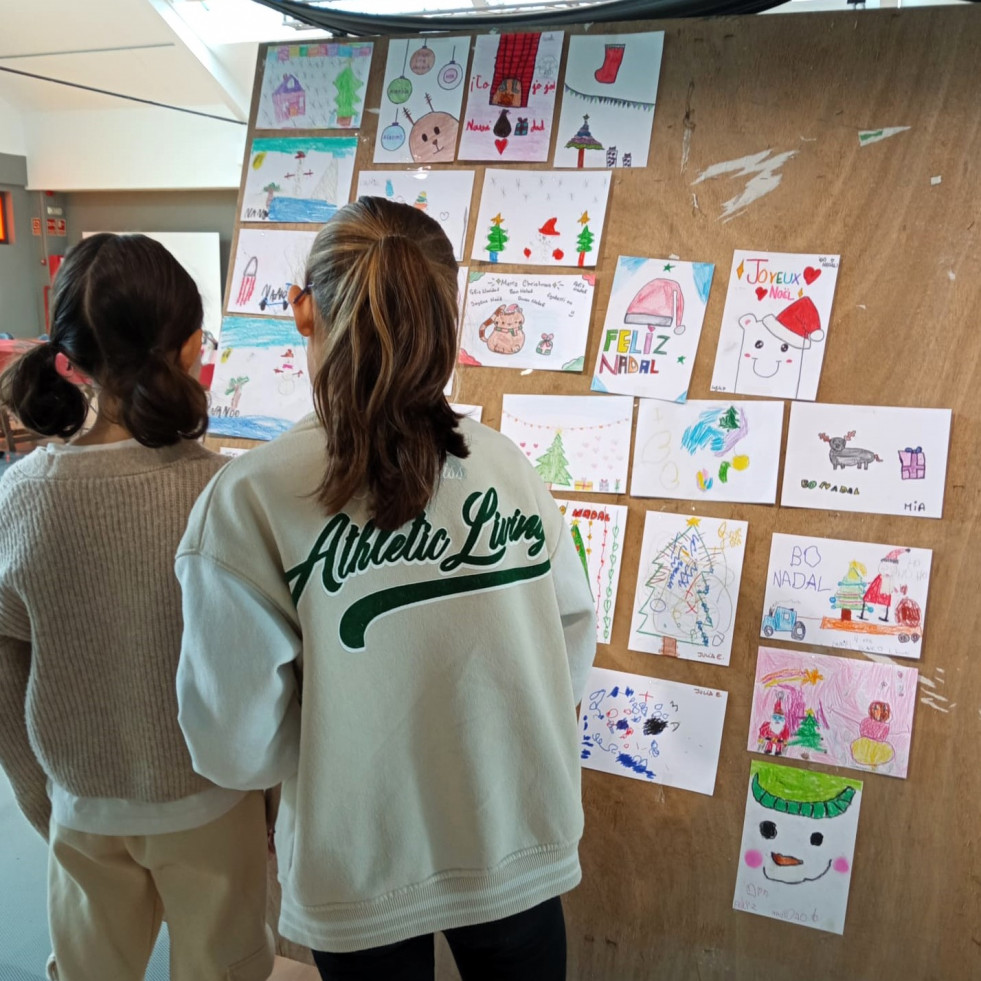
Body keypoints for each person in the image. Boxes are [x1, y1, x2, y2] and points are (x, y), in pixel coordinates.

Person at [175, 197, 596, 981]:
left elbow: (232, 743)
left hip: (357, 857)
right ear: (447, 312)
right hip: (517, 836)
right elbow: (570, 640)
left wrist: (341, 732)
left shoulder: (250, 499)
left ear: (302, 309)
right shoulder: (509, 467)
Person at [0, 233, 273, 981]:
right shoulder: (227, 493)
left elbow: (2, 661)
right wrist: (270, 798)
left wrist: (38, 790)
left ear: (68, 359)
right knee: (228, 968)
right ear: (192, 350)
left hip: (81, 804)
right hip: (214, 800)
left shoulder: (19, 496)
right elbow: (265, 664)